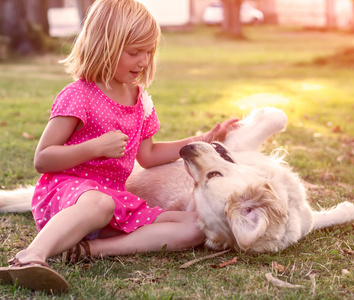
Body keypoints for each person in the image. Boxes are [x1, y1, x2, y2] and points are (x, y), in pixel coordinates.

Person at [0, 0, 238, 294]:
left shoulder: (141, 100)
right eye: (134, 52)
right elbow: (43, 159)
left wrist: (201, 141)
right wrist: (95, 147)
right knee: (100, 204)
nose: (143, 61)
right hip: (66, 197)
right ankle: (29, 257)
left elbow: (148, 156)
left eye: (149, 52)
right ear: (105, 45)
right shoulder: (79, 95)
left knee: (195, 227)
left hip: (113, 203)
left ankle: (94, 249)